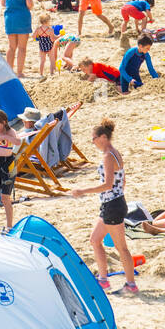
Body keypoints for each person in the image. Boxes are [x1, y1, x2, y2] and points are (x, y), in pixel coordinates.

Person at [68, 119, 137, 294]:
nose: (92, 141)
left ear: (103, 137)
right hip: (112, 203)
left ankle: (130, 284)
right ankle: (103, 280)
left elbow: (108, 184)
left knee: (121, 248)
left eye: (94, 138)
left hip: (113, 205)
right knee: (95, 240)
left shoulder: (108, 155)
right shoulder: (115, 153)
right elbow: (122, 180)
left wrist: (83, 191)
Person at [1, 0, 34, 77]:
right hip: (22, 17)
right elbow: (29, 4)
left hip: (9, 17)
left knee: (11, 47)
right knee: (22, 48)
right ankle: (19, 72)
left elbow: (3, 3)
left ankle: (9, 72)